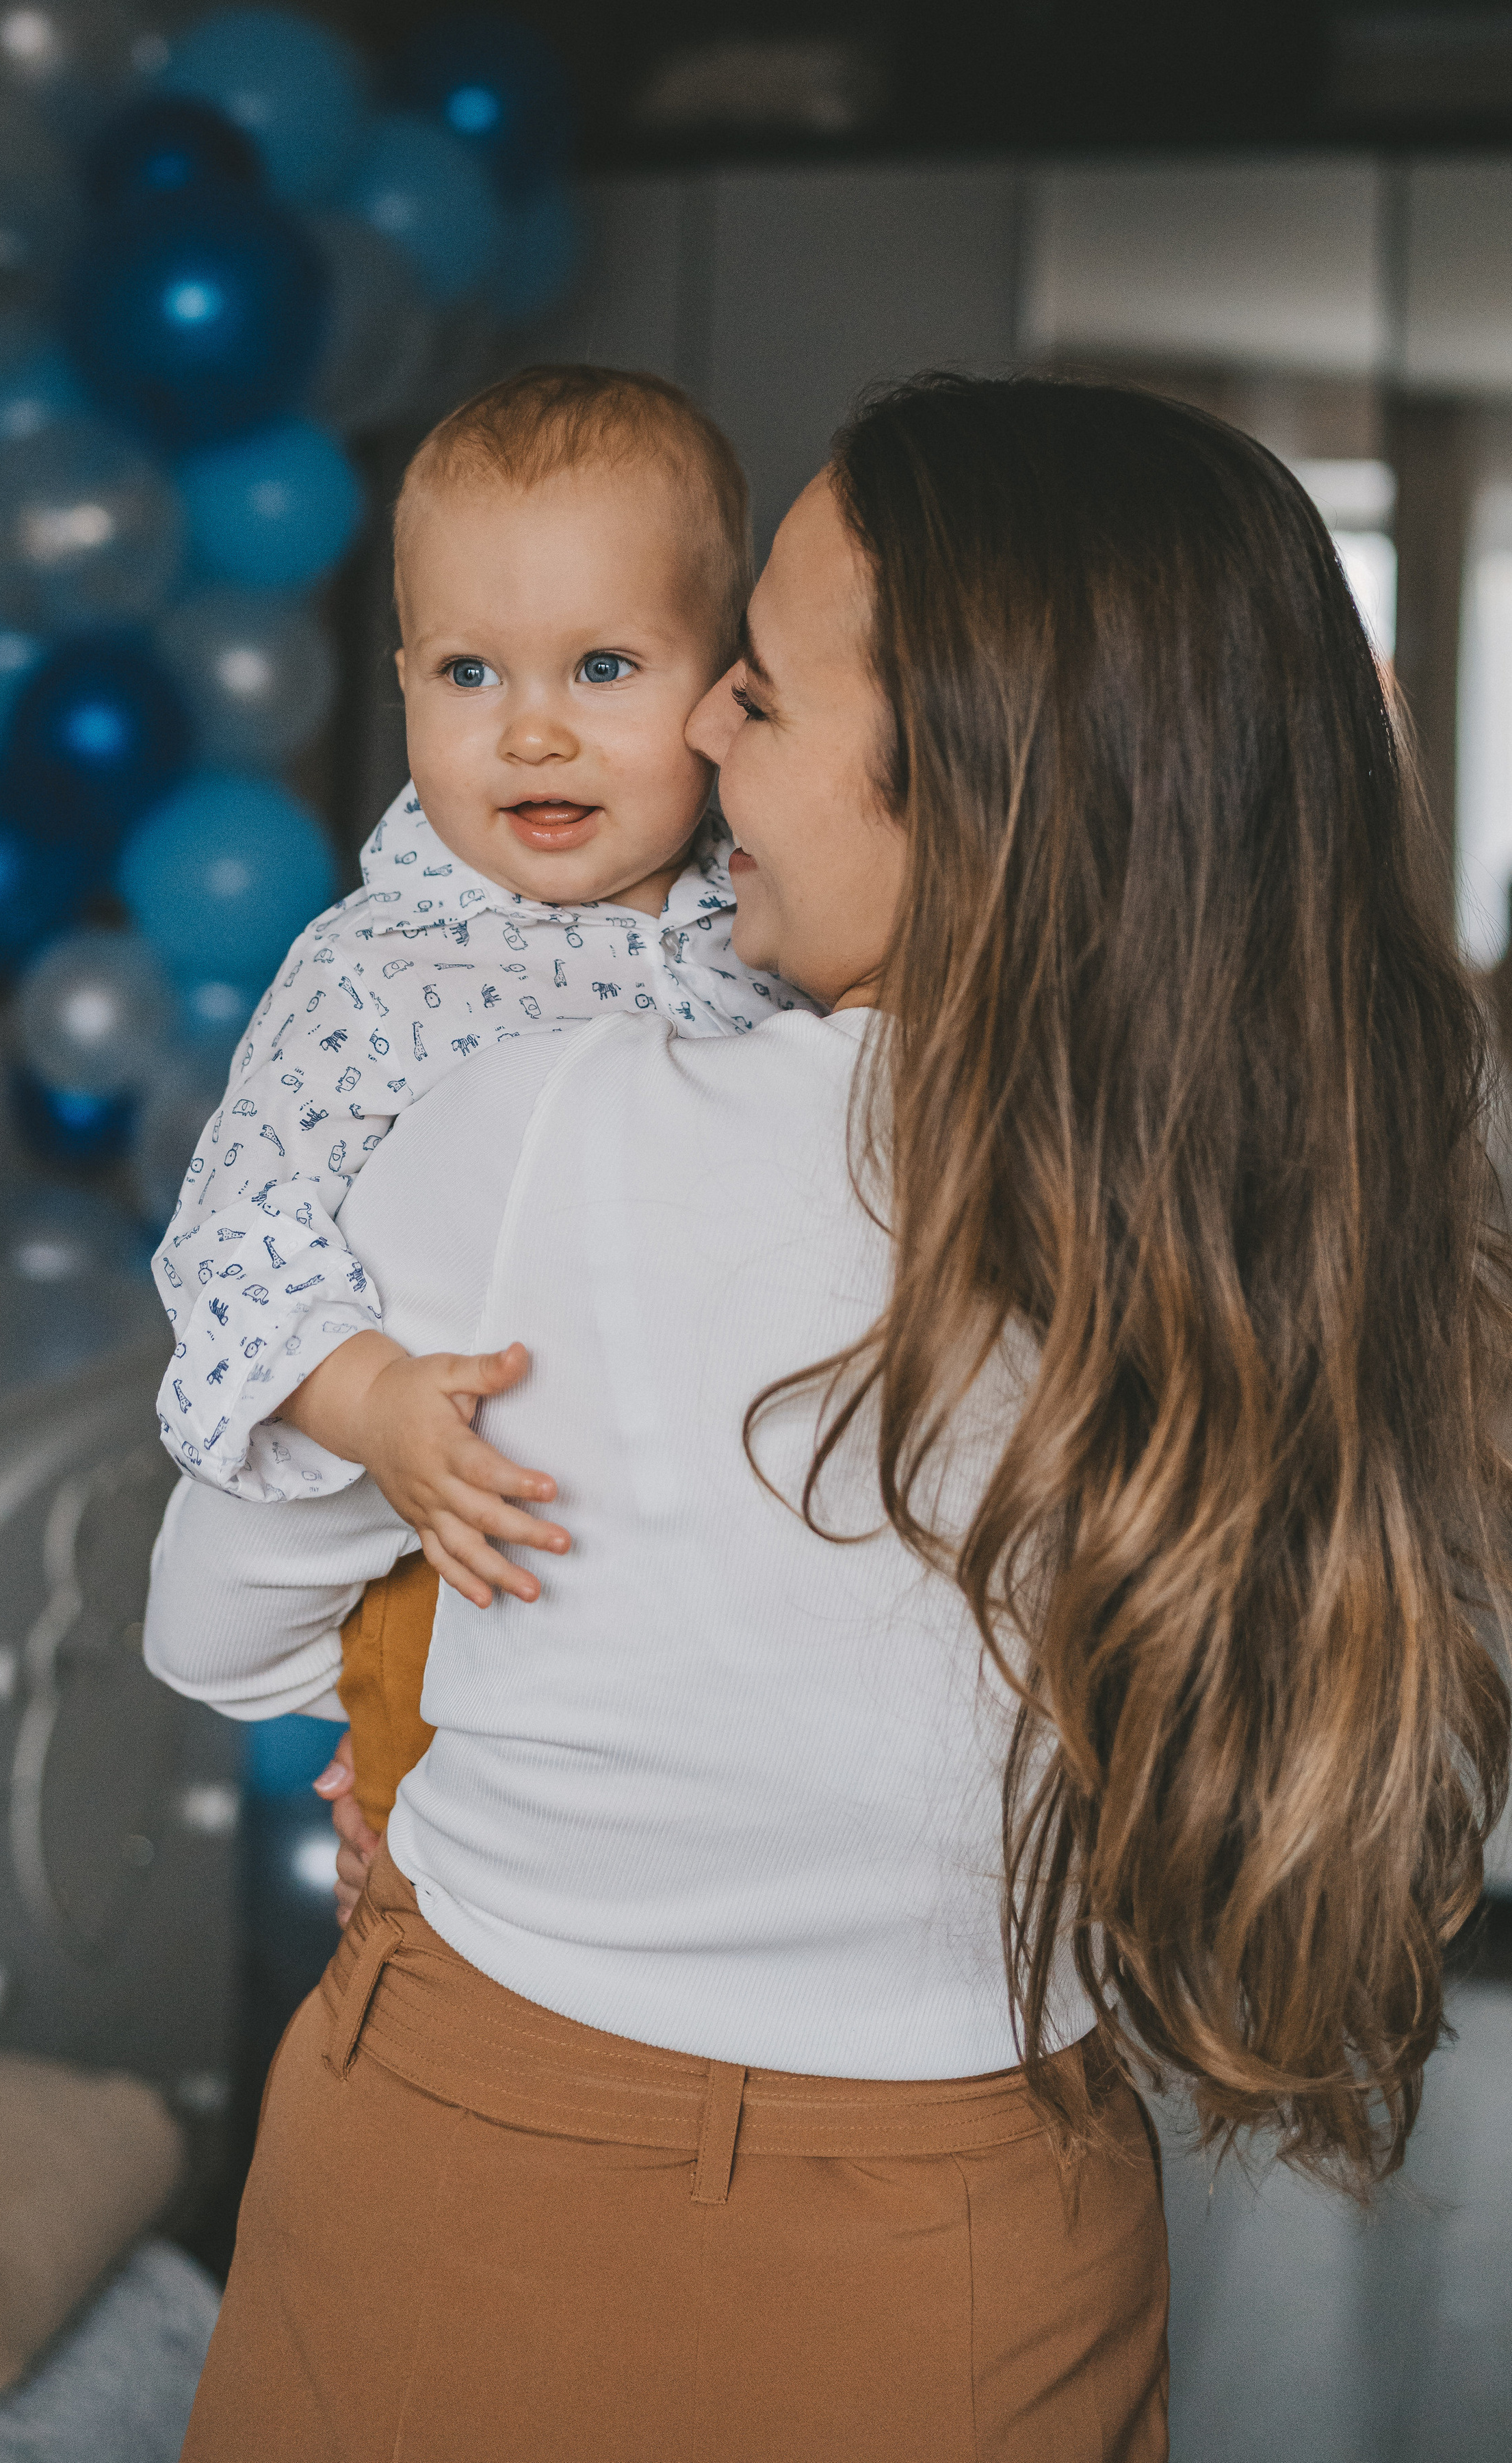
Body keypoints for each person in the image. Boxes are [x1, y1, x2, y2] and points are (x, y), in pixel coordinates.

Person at [146, 375, 1512, 2462]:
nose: (688, 733)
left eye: (752, 696)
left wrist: (429, 1678)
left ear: (958, 785)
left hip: (476, 2161)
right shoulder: (1306, 1215)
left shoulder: (530, 1120)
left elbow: (211, 1632)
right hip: (989, 2236)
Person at [151, 365, 809, 1829]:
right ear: (400, 683)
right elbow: (236, 1231)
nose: (530, 734)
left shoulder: (778, 929)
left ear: (725, 692)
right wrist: (372, 1403)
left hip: (667, 1527)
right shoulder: (375, 969)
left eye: (602, 669)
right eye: (468, 674)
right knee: (207, 1606)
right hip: (428, 1474)